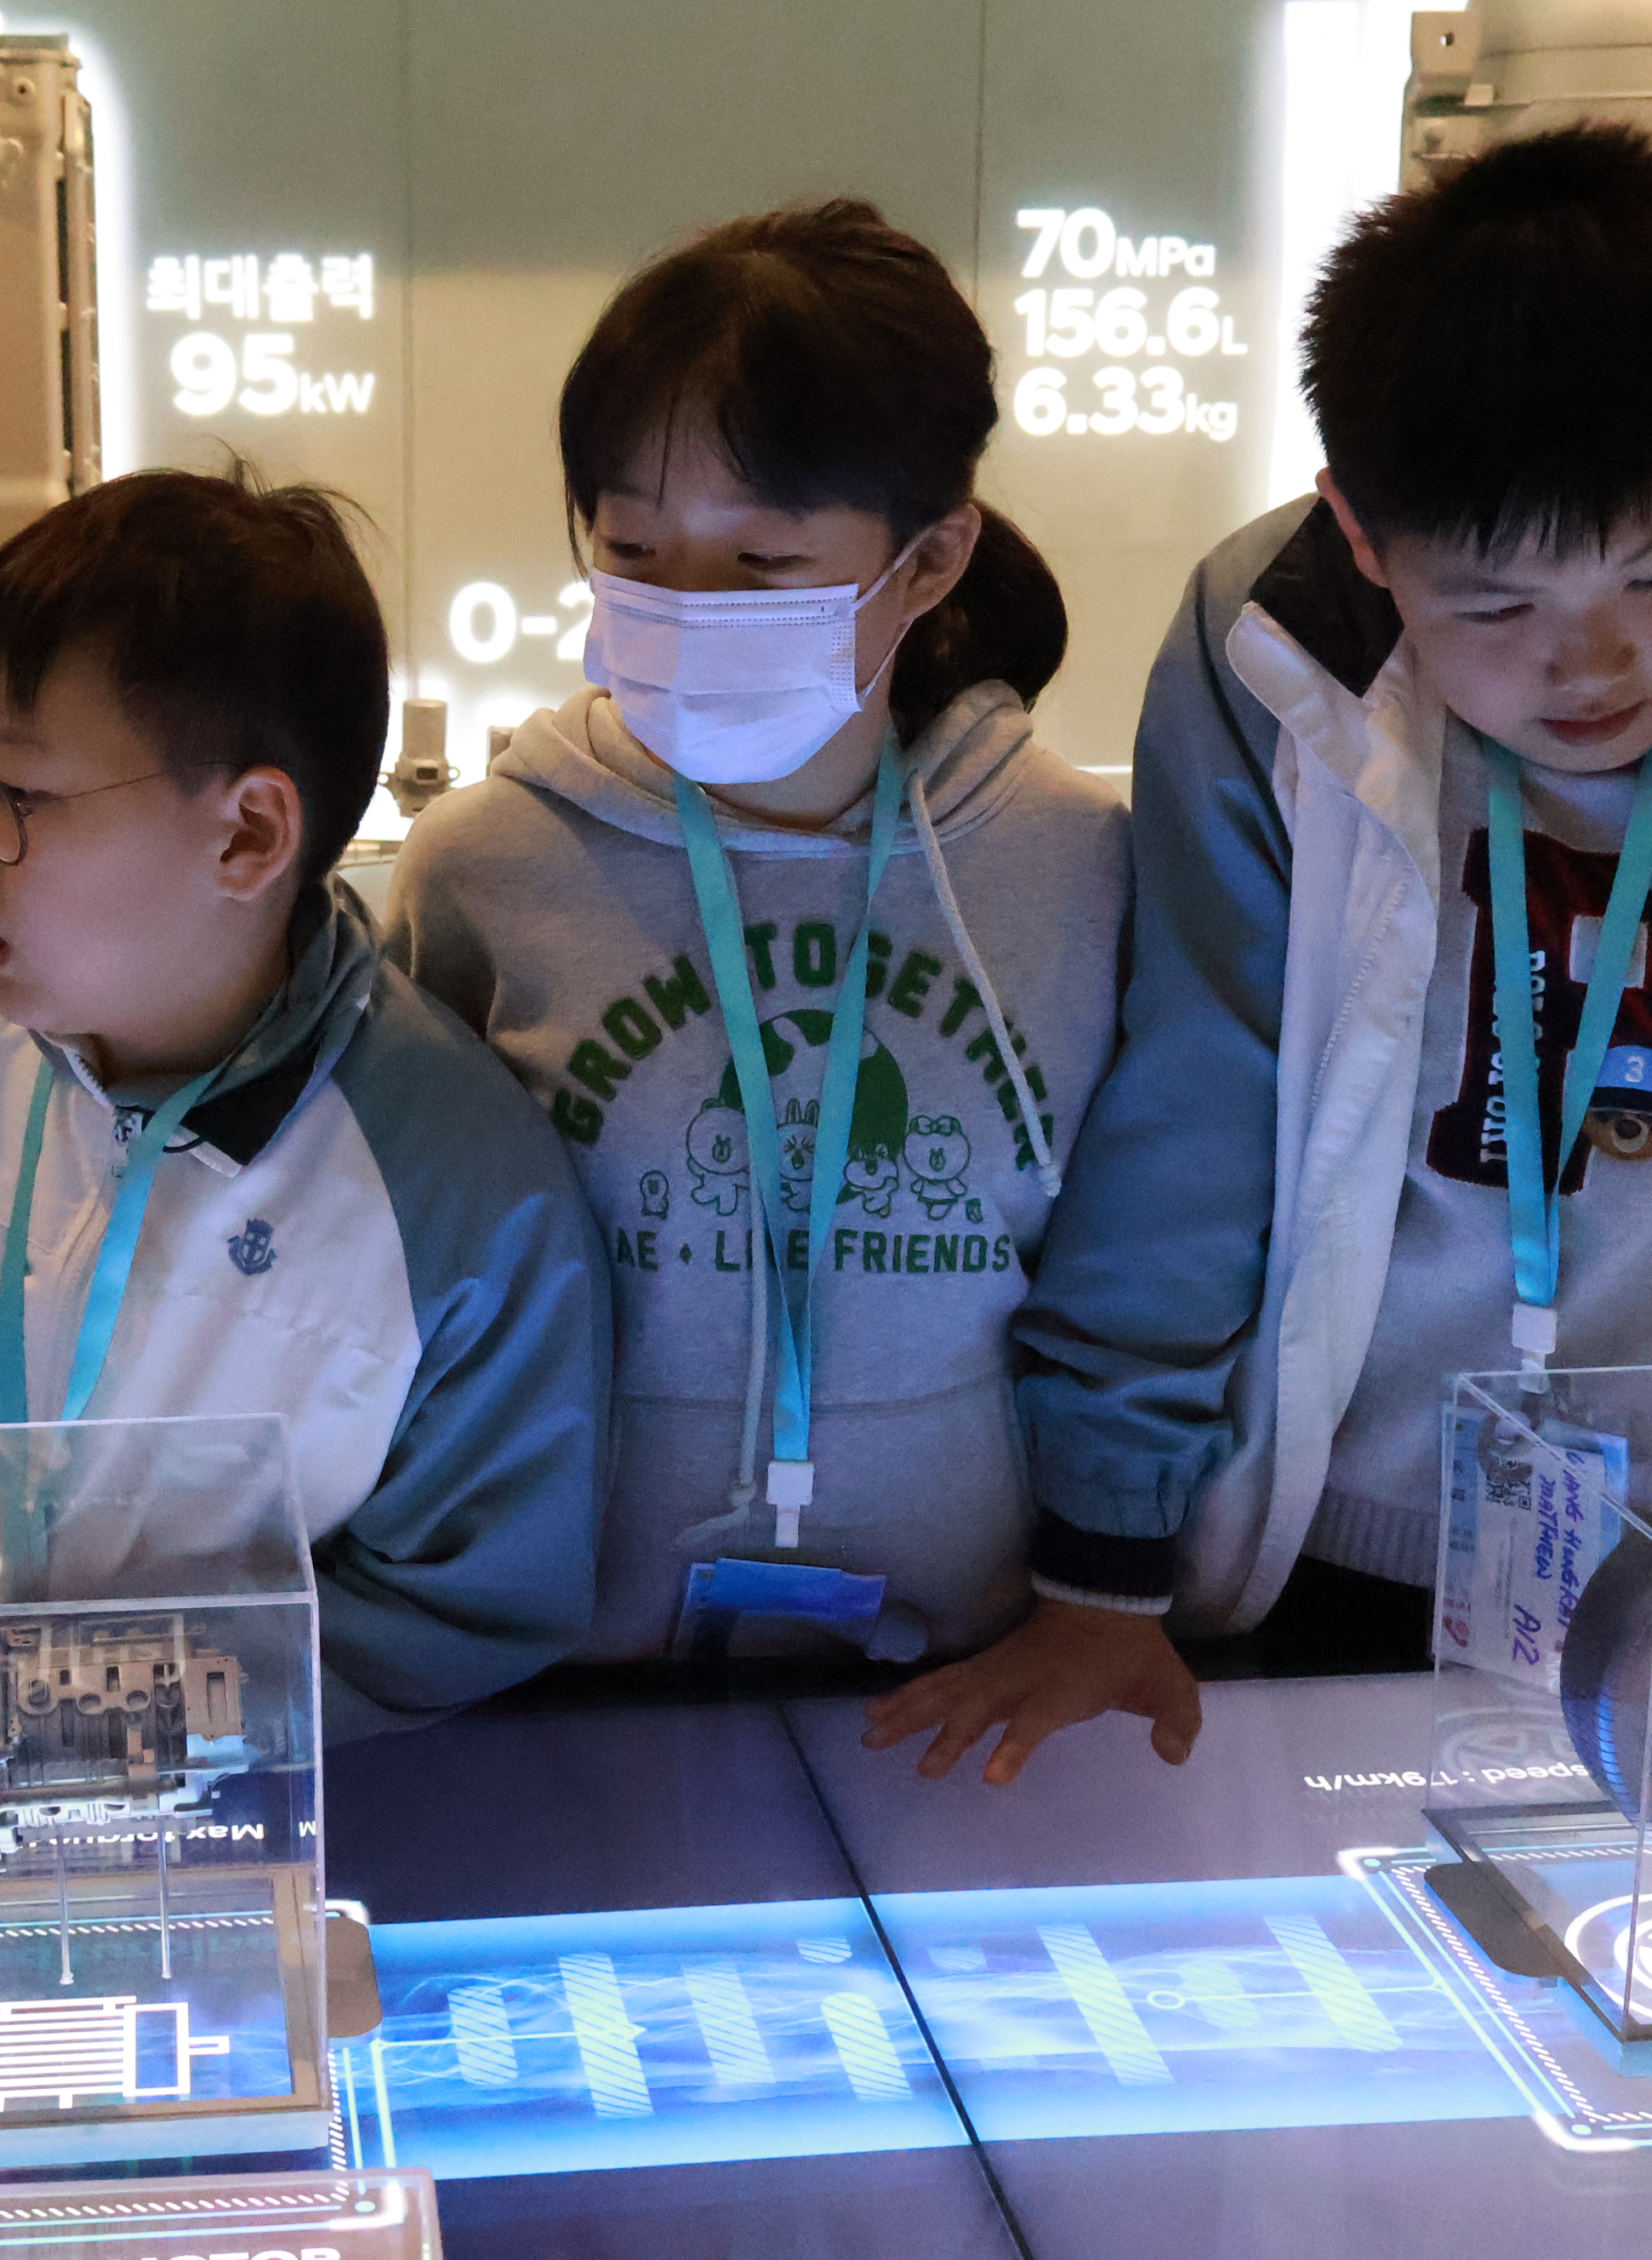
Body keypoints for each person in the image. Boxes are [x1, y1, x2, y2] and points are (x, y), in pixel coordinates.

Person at [872, 123, 1652, 1783]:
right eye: (1492, 608)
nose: (1588, 666)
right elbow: (1196, 1102)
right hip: (1336, 1528)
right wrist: (1106, 1548)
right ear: (1363, 533)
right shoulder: (1270, 639)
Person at [0, 466, 608, 1742]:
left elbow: (459, 1607)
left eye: (18, 797)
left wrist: (124, 1721)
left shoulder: (461, 1190)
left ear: (247, 836)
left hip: (240, 1828)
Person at [381, 202, 1131, 1677]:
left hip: (967, 1671)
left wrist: (1114, 1584)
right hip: (557, 1667)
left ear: (931, 559)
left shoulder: (1077, 864)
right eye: (633, 547)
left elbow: (1127, 1276)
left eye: (763, 562)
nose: (684, 607)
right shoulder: (484, 865)